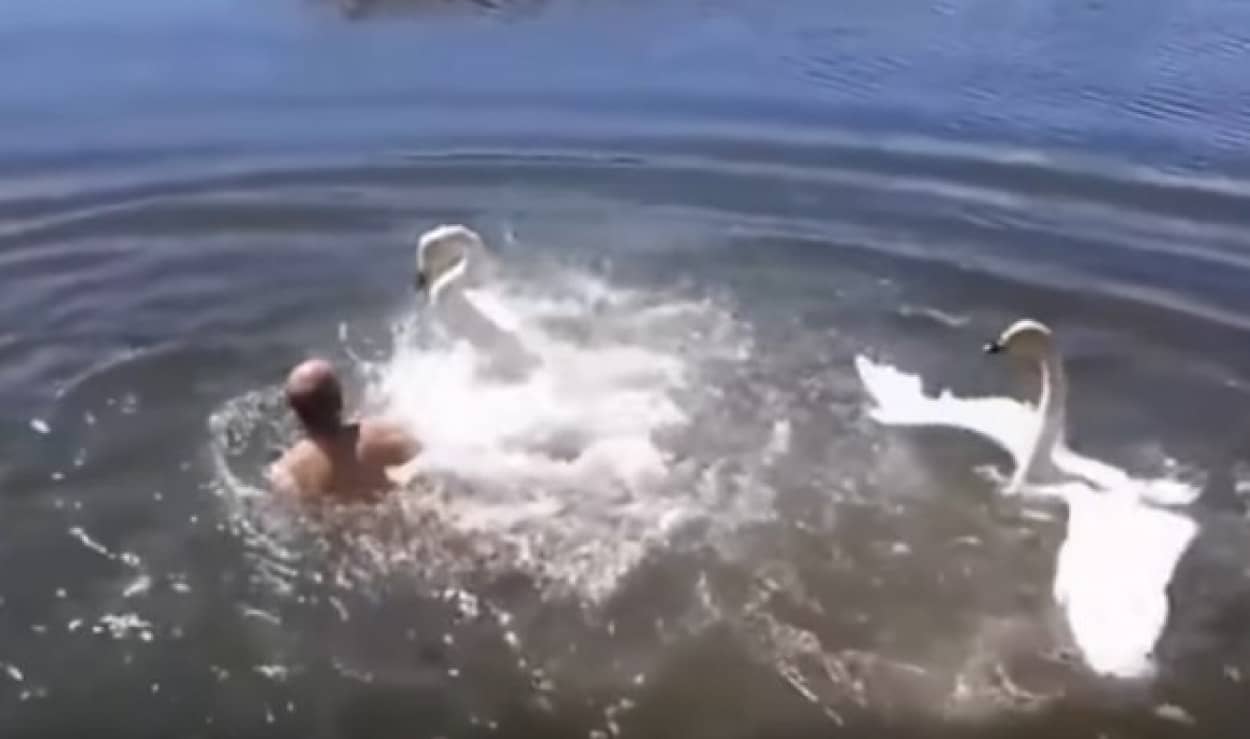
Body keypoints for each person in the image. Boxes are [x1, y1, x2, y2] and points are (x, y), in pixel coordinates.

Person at [268, 358, 420, 503]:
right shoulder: (384, 434)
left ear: (296, 413)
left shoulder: (288, 471)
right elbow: (431, 456)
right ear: (341, 400)